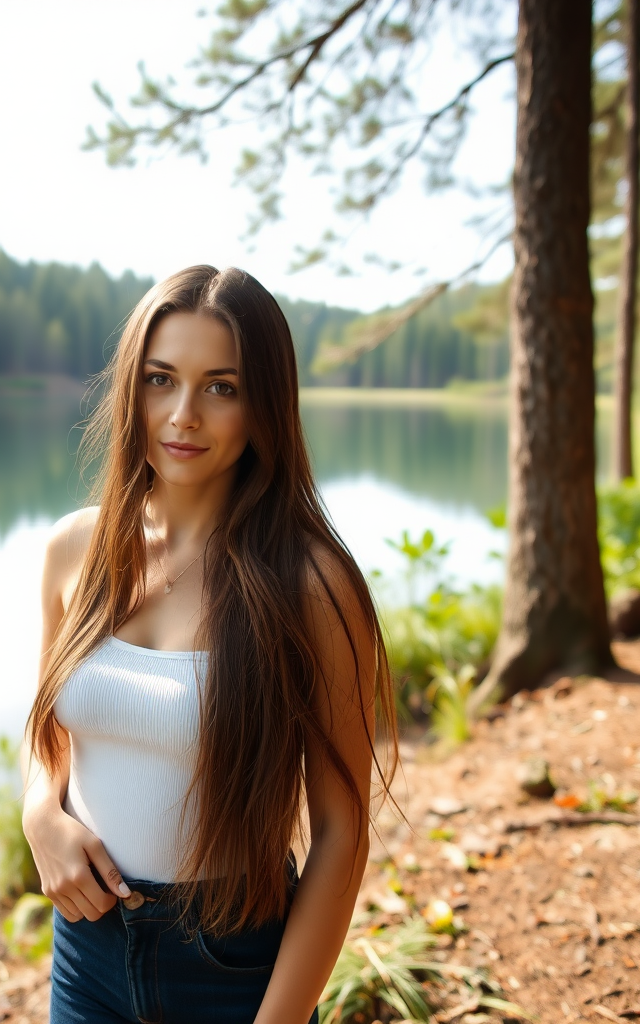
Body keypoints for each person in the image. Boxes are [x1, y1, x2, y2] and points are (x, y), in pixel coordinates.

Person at [22, 265, 398, 1024]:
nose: (183, 414)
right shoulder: (75, 550)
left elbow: (341, 833)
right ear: (132, 388)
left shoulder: (311, 585)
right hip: (87, 947)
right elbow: (48, 732)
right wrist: (39, 814)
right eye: (161, 379)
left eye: (220, 387)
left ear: (264, 404)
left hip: (230, 962)